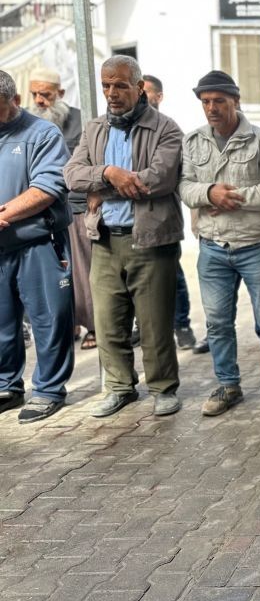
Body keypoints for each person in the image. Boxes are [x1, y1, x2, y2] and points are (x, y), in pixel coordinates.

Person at [64, 55, 184, 418]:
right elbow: (72, 174)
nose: (111, 93)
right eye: (106, 85)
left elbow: (158, 179)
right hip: (104, 240)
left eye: (120, 85)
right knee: (108, 322)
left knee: (154, 324)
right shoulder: (94, 128)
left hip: (151, 239)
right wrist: (108, 173)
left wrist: (102, 189)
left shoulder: (165, 128)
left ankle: (163, 388)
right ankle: (119, 387)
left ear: (139, 87)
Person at [179, 71, 260, 417]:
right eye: (206, 102)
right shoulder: (193, 141)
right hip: (213, 247)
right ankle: (228, 385)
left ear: (236, 101)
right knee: (217, 323)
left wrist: (234, 197)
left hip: (257, 245)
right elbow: (184, 186)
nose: (212, 108)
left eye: (219, 101)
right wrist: (208, 192)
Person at [0, 69, 75, 423]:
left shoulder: (42, 133)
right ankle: (6, 385)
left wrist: (5, 214)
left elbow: (47, 187)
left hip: (38, 242)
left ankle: (48, 389)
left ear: (15, 101)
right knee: (2, 322)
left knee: (49, 318)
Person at [27, 67, 94, 350]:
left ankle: (94, 326)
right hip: (41, 213)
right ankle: (70, 323)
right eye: (34, 94)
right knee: (55, 274)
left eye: (45, 94)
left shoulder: (81, 121)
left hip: (75, 207)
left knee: (83, 269)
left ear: (61, 93)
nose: (39, 100)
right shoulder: (29, 124)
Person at [137, 75, 197, 351]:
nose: (141, 95)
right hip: (133, 219)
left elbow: (168, 175)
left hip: (162, 218)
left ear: (159, 96)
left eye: (147, 91)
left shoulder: (168, 129)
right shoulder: (126, 129)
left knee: (173, 274)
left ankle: (181, 325)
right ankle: (141, 326)